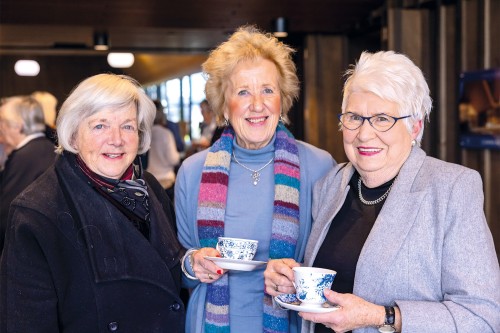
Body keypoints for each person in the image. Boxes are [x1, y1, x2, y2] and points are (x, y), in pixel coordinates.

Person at [264, 51, 500, 333]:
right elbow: (336, 277)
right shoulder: (331, 185)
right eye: (354, 117)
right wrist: (290, 280)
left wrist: (383, 316)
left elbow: (482, 317)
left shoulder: (451, 189)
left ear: (415, 126)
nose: (364, 134)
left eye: (382, 119)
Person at [175, 26, 335, 333]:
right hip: (209, 323)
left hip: (289, 324)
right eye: (243, 92)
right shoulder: (193, 172)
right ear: (223, 103)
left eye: (268, 90)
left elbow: (330, 263)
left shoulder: (318, 166)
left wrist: (297, 275)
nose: (257, 105)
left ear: (283, 98)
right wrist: (193, 263)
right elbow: (180, 267)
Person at [0, 74, 186, 332]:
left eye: (128, 126)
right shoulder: (37, 212)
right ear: (73, 136)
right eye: (100, 126)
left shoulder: (149, 188)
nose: (117, 139)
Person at [0, 95, 56, 253]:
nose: (0, 127)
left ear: (18, 126)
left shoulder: (25, 157)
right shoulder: (47, 147)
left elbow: (7, 216)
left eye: (2, 121)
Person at [147, 100, 180, 199]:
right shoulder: (166, 133)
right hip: (166, 180)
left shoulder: (146, 134)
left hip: (151, 179)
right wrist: (180, 155)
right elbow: (173, 159)